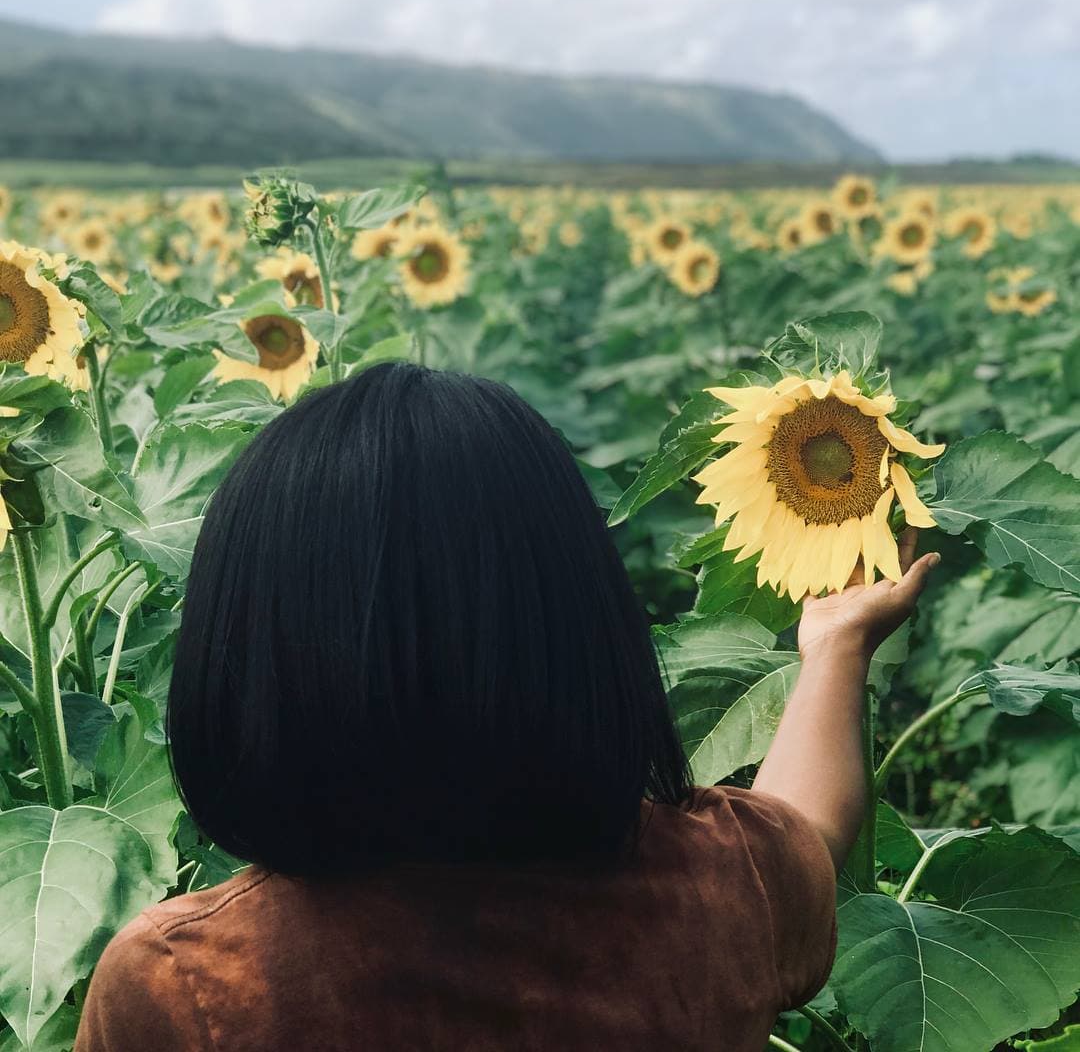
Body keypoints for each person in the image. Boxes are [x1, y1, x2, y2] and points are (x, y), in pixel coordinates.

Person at [74, 362, 938, 1052]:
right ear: (584, 630)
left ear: (251, 659)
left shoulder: (188, 987)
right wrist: (835, 647)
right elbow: (805, 835)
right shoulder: (719, 890)